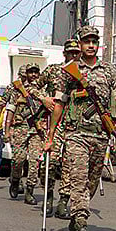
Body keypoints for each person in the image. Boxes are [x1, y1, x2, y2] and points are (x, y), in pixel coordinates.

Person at [45, 25, 116, 231]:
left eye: (94, 41)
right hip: (75, 134)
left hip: (101, 134)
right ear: (79, 44)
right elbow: (59, 103)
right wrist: (51, 135)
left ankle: (75, 217)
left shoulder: (109, 70)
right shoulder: (69, 70)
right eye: (86, 41)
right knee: (78, 178)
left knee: (91, 182)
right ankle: (81, 222)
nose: (91, 45)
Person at [39, 38, 81, 217]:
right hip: (54, 122)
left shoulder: (84, 72)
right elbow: (32, 86)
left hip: (75, 124)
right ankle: (48, 195)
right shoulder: (53, 70)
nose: (73, 55)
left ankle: (64, 200)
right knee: (50, 163)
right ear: (64, 53)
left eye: (76, 52)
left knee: (70, 166)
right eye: (70, 52)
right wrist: (43, 98)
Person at [3, 64, 54, 204]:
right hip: (20, 129)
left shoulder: (45, 92)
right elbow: (10, 111)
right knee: (18, 160)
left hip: (37, 131)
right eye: (30, 72)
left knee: (34, 162)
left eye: (36, 72)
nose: (33, 75)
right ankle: (15, 180)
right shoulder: (18, 90)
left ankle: (29, 190)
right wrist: (7, 131)